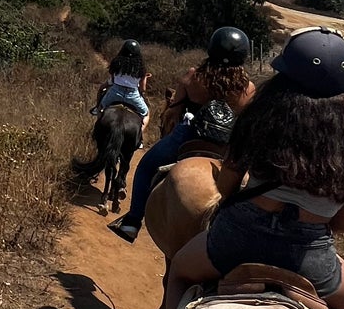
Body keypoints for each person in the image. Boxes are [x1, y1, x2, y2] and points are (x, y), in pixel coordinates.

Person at [157, 26, 344, 309]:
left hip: (239, 239)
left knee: (178, 269)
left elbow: (226, 186)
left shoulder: (257, 119)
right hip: (311, 258)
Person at [108, 27, 256, 241]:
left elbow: (174, 110)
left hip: (189, 135)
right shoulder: (248, 88)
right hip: (228, 145)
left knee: (146, 166)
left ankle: (132, 221)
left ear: (212, 49)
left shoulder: (193, 76)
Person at [92, 40, 151, 126]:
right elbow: (143, 89)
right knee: (146, 113)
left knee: (101, 107)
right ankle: (140, 135)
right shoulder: (140, 68)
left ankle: (97, 125)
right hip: (132, 95)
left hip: (115, 92)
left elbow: (112, 79)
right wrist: (145, 77)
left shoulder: (117, 62)